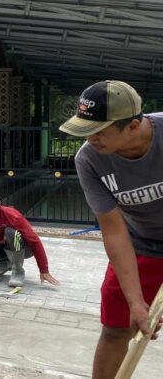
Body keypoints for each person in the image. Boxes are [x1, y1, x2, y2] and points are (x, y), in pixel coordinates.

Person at [59, 80, 163, 379]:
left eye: (97, 132)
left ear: (131, 127)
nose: (90, 139)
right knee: (118, 328)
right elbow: (114, 231)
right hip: (140, 244)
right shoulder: (89, 160)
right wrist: (136, 301)